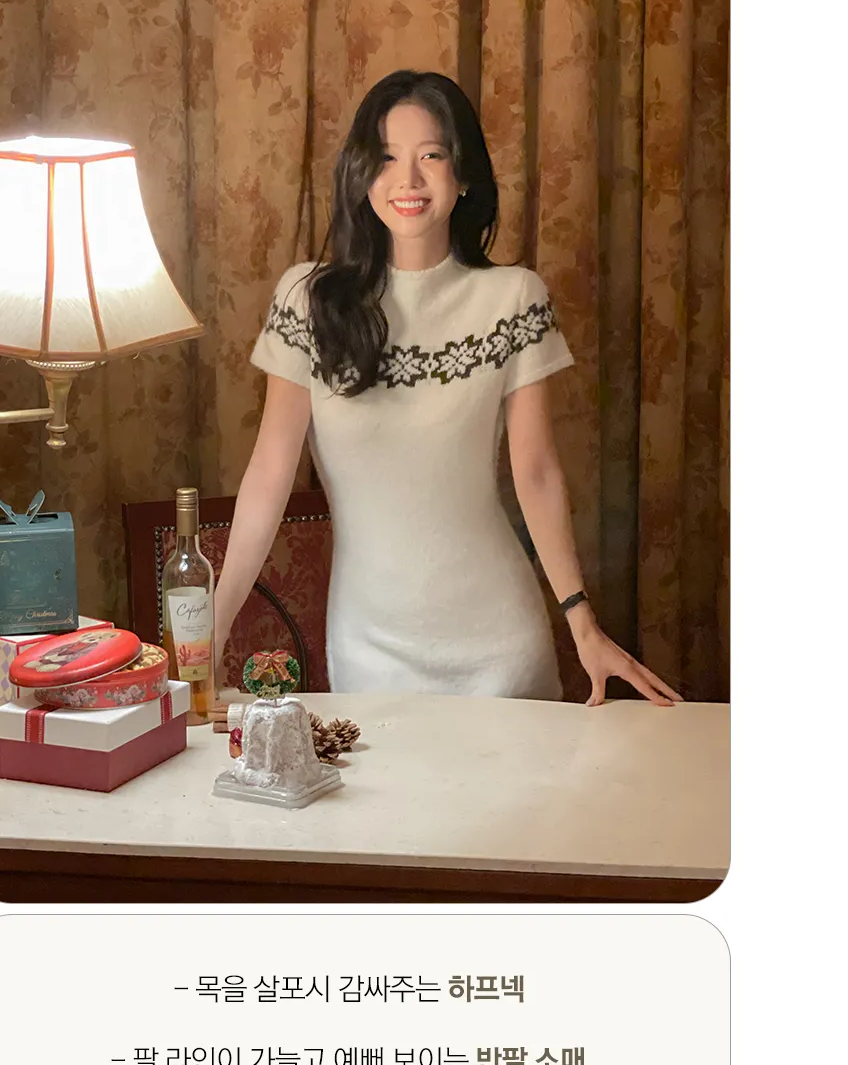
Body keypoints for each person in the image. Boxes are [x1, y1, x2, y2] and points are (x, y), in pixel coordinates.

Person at [212, 67, 679, 706]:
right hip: (368, 648)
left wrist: (582, 622)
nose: (408, 180)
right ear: (361, 174)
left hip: (500, 645)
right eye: (386, 158)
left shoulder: (513, 298)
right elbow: (269, 473)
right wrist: (213, 628)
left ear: (463, 176)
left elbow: (536, 473)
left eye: (431, 155)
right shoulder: (307, 301)